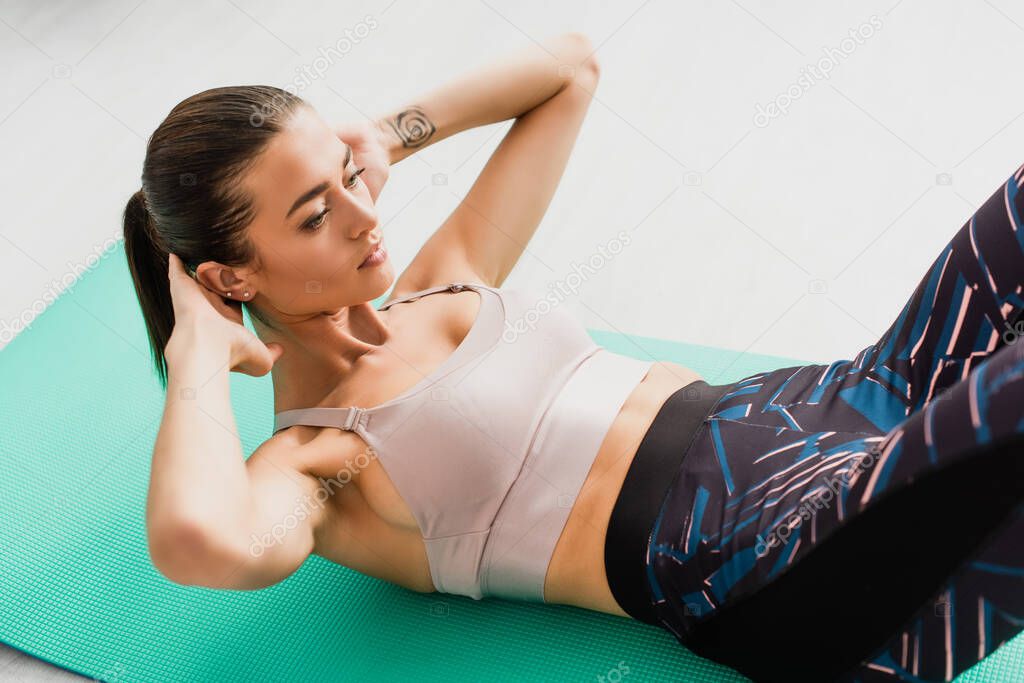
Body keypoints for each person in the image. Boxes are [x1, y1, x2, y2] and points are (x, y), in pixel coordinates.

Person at [123, 32, 1023, 683]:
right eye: (315, 215)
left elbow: (567, 69)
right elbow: (200, 540)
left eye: (347, 179)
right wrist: (196, 344)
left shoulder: (445, 281)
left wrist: (392, 132)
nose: (365, 216)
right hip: (778, 562)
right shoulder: (321, 460)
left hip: (848, 403)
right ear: (228, 275)